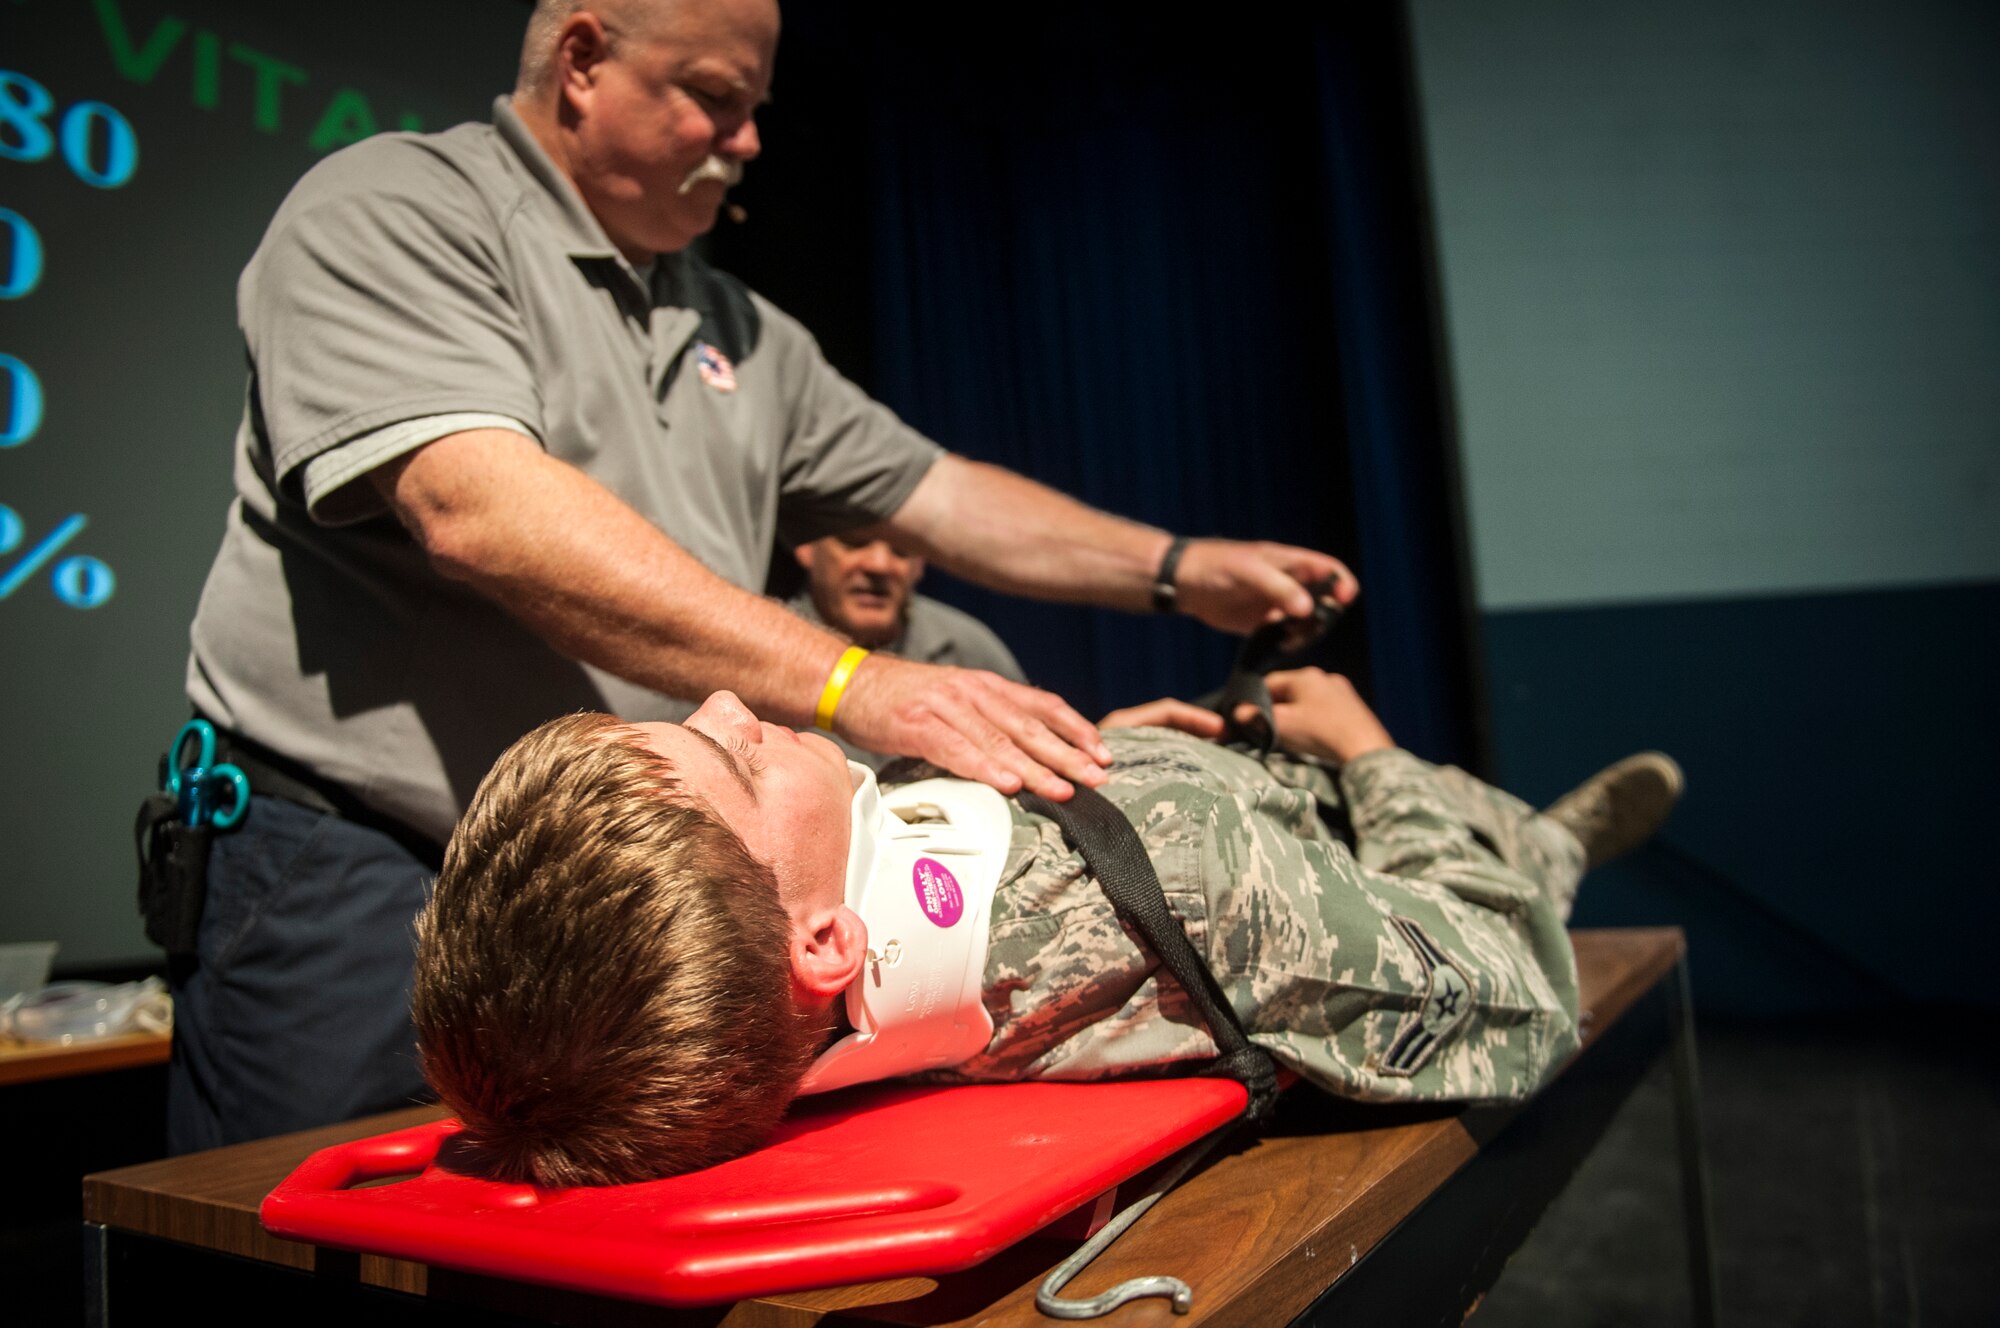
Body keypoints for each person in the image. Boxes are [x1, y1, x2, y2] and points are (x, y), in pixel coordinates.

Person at [167, 0, 1354, 1153]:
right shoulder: (396, 208)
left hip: (632, 909)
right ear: (581, 60)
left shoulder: (733, 322)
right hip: (364, 867)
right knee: (309, 1232)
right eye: (714, 99)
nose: (747, 143)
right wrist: (851, 683)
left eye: (754, 107)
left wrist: (1177, 569)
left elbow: (936, 493)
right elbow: (476, 506)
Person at [411, 669, 1683, 1186]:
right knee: (1493, 852)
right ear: (824, 947)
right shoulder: (1208, 884)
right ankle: (1546, 842)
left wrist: (1111, 759)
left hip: (1188, 811)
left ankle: (1530, 824)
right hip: (1341, 845)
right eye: (731, 758)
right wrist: (1366, 745)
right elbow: (1516, 986)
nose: (734, 696)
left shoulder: (797, 957)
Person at [785, 533, 1027, 767]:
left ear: (921, 561)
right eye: (855, 541)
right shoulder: (764, 658)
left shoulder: (969, 647)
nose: (879, 565)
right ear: (806, 545)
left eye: (902, 547)